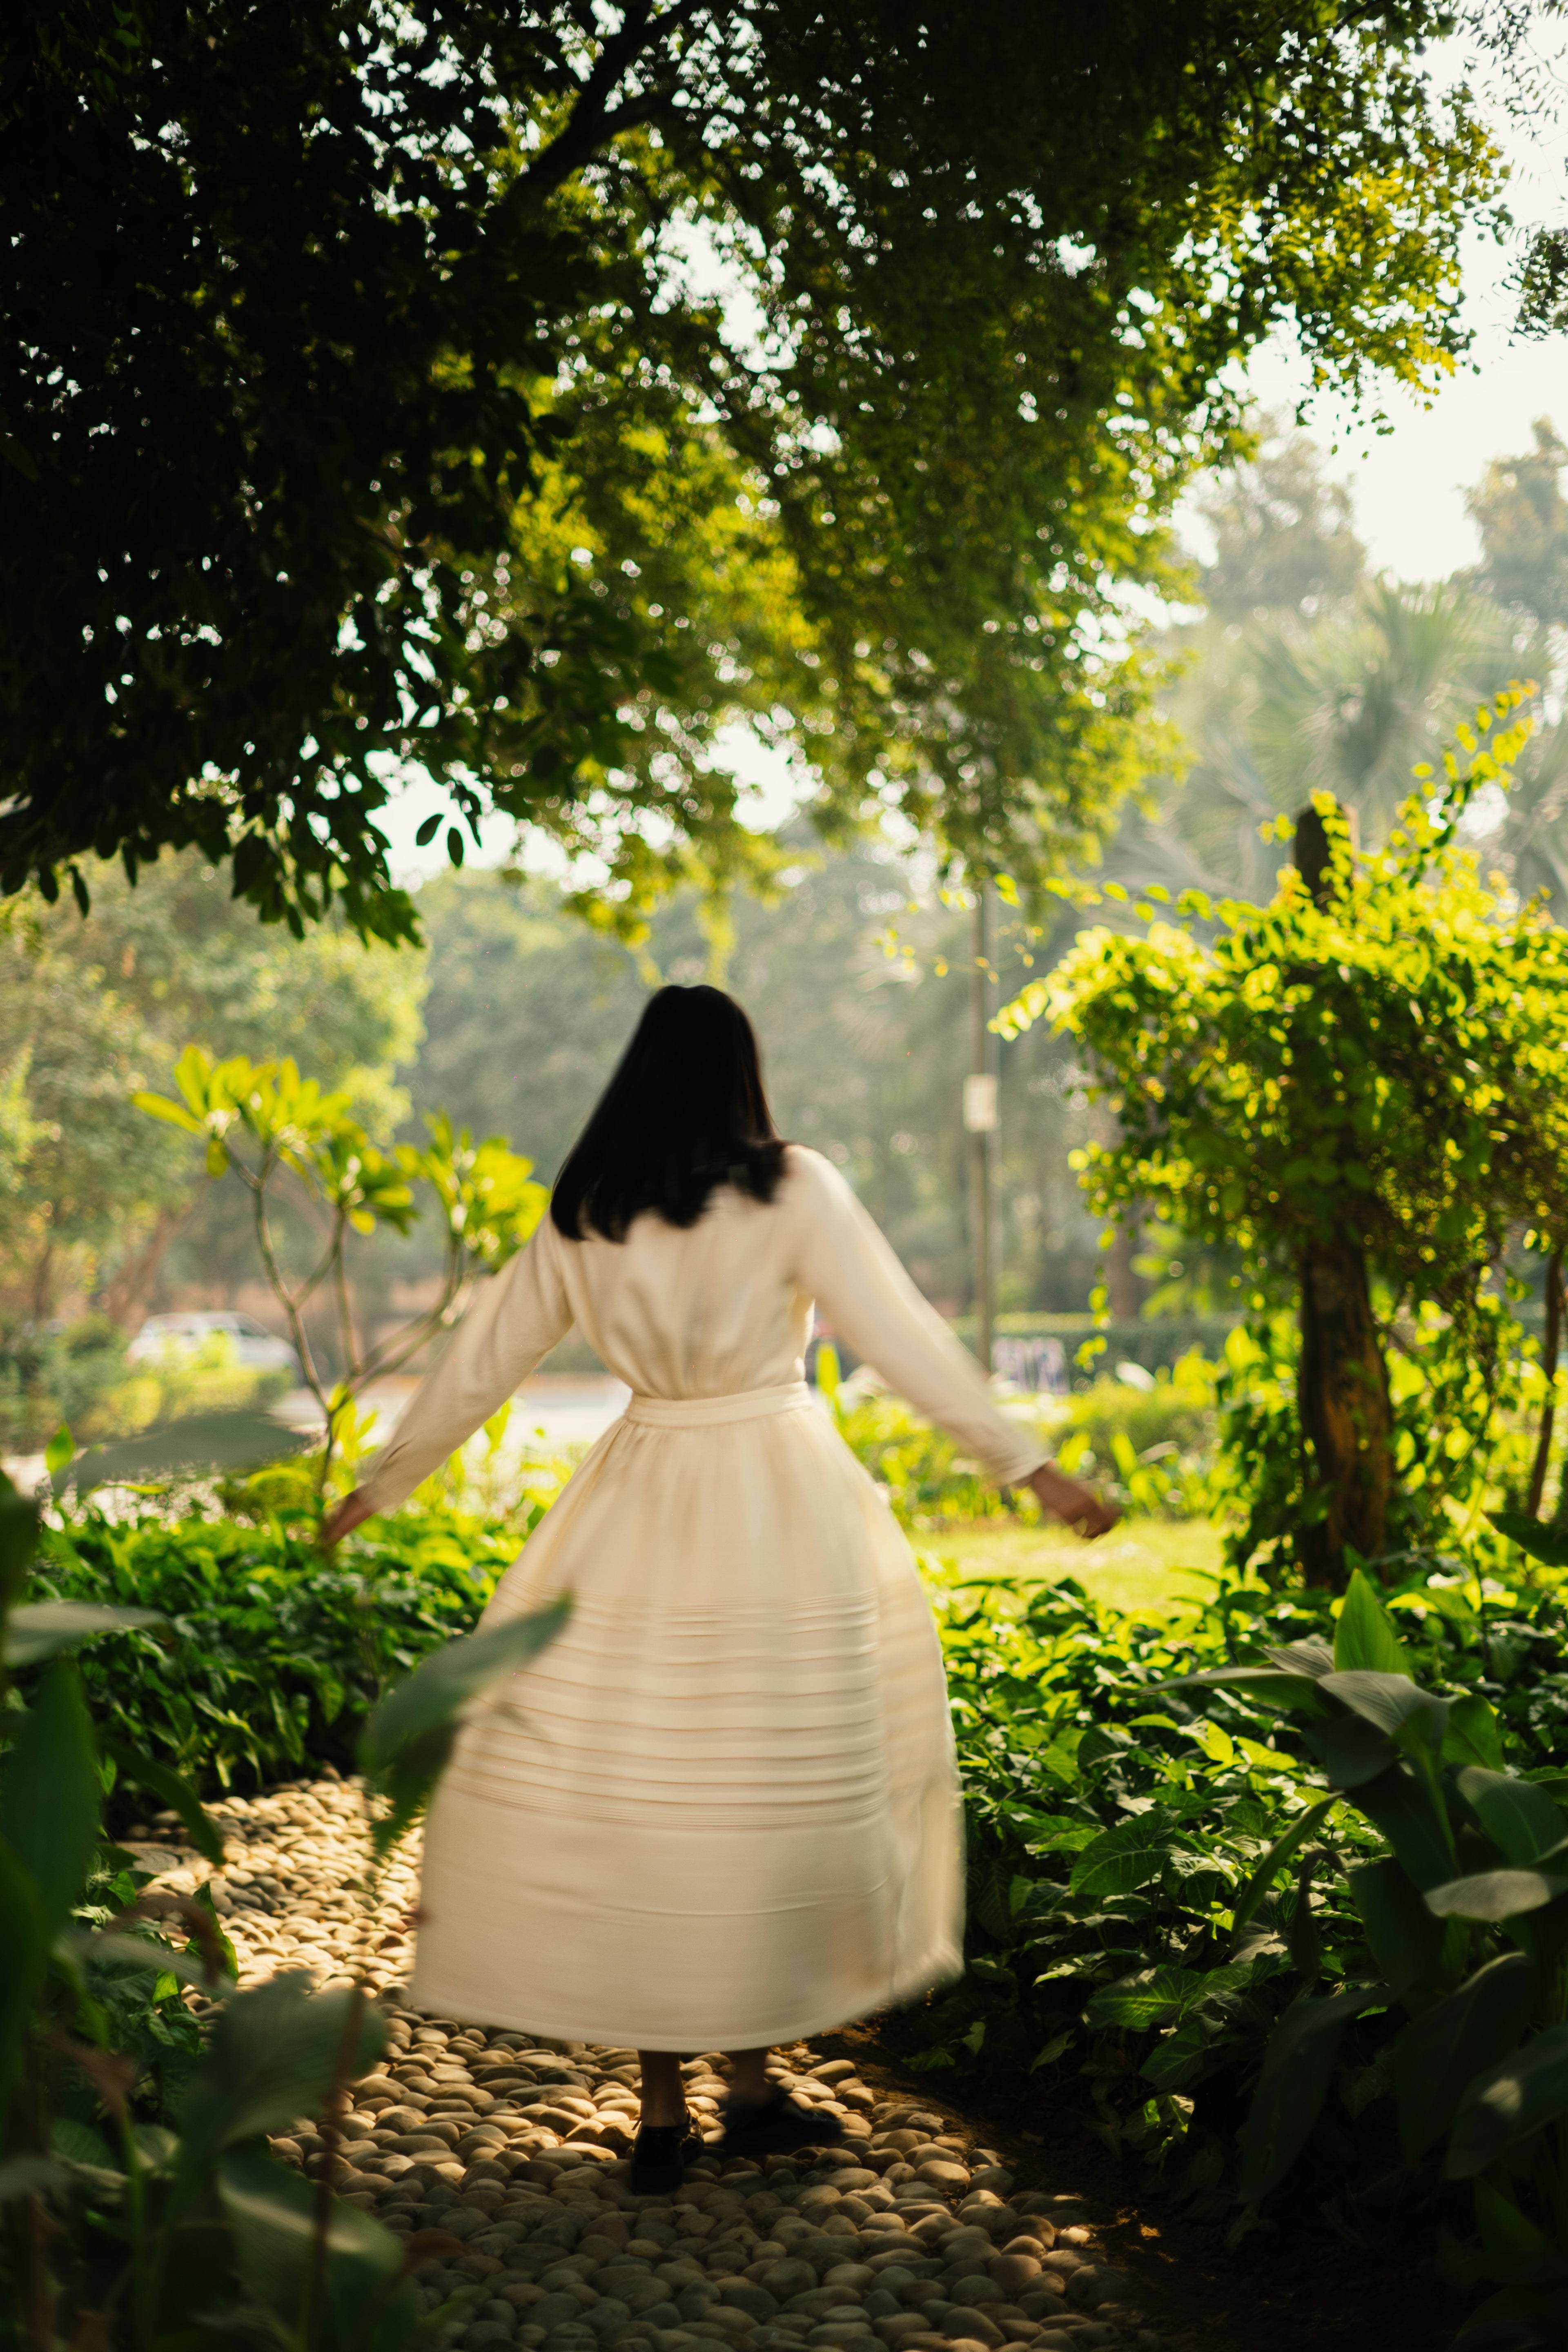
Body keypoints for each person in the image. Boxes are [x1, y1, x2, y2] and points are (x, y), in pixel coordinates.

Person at [323, 987, 1116, 2193]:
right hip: (779, 1506)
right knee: (757, 1794)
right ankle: (745, 2093)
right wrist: (1033, 1468)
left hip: (633, 1502)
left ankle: (662, 2114)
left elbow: (481, 1362)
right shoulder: (794, 1187)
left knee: (661, 1800)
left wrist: (379, 1486)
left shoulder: (586, 1211)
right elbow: (900, 1336)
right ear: (742, 1073)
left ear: (634, 1077)